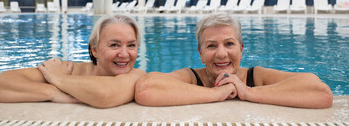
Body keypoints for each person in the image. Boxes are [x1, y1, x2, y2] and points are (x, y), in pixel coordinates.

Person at [135, 13, 333, 108]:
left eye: (229, 44)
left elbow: (321, 92)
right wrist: (215, 93)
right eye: (211, 46)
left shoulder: (257, 76)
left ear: (241, 49)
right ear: (200, 53)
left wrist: (247, 92)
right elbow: (146, 88)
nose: (221, 54)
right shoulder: (191, 77)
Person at [0, 14, 145, 108]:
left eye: (131, 45)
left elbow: (103, 94)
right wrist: (53, 92)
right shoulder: (70, 68)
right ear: (94, 50)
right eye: (114, 45)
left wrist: (59, 79)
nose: (124, 54)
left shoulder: (136, 76)